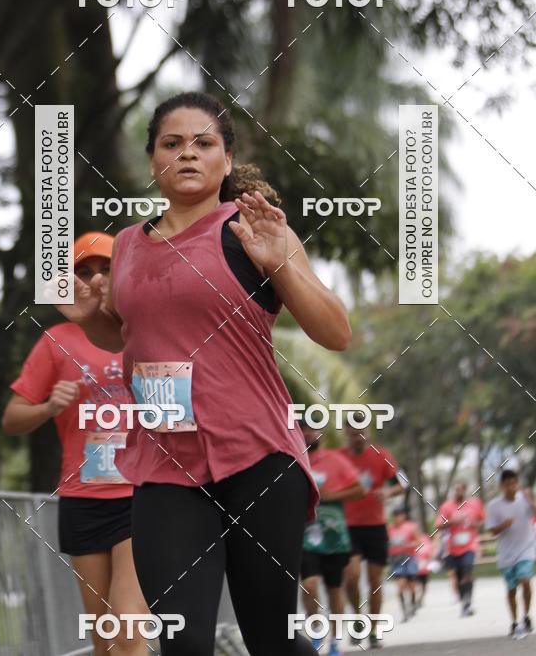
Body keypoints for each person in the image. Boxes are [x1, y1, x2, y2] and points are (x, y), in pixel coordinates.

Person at [56, 91, 352, 656]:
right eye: (172, 143)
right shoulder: (125, 247)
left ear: (225, 157)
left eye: (203, 143)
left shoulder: (254, 230)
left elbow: (335, 332)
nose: (187, 153)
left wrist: (281, 261)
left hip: (257, 456)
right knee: (183, 642)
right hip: (166, 467)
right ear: (152, 161)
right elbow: (127, 335)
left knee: (271, 639)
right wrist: (90, 316)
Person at [2, 232, 149, 656]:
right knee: (104, 642)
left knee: (127, 631)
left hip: (140, 495)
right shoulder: (57, 340)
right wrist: (48, 406)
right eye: (83, 272)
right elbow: (13, 419)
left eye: (105, 268)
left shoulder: (143, 328)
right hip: (82, 500)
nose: (96, 279)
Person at [299, 421, 365, 655]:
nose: (308, 434)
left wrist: (332, 495)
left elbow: (360, 489)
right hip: (306, 536)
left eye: (312, 429)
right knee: (309, 584)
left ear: (320, 433)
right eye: (303, 429)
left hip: (335, 537)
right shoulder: (294, 460)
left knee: (334, 589)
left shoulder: (335, 460)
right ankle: (317, 632)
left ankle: (335, 641)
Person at [340, 418, 404, 649]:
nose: (358, 437)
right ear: (347, 434)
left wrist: (387, 492)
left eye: (362, 433)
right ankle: (358, 620)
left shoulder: (381, 454)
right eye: (354, 433)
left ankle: (374, 630)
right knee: (352, 577)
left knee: (375, 580)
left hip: (375, 526)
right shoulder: (339, 457)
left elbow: (401, 484)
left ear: (367, 433)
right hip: (348, 527)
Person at [486, 470, 536, 639]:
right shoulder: (494, 506)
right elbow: (492, 531)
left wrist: (531, 499)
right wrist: (503, 526)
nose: (511, 487)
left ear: (518, 483)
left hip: (526, 549)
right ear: (502, 486)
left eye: (514, 483)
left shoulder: (525, 500)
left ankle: (526, 615)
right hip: (507, 554)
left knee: (525, 580)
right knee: (512, 589)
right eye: (507, 484)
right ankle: (514, 621)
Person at [435, 480, 486, 617]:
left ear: (465, 490)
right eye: (456, 490)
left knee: (467, 567)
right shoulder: (447, 506)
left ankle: (467, 601)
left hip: (470, 545)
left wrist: (476, 524)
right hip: (453, 549)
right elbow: (438, 525)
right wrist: (453, 521)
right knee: (458, 578)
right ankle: (465, 600)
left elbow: (483, 519)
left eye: (460, 489)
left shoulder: (475, 504)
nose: (458, 492)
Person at [387, 506, 421, 621]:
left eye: (399, 515)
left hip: (409, 557)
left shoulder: (411, 527)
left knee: (411, 585)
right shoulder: (390, 529)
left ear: (404, 516)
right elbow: (387, 544)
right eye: (395, 516)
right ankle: (404, 611)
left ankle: (412, 604)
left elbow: (418, 542)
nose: (397, 518)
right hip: (396, 559)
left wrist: (408, 545)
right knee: (400, 585)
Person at [414, 532, 434, 608]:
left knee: (423, 585)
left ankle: (420, 599)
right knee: (416, 584)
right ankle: (417, 598)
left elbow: (430, 553)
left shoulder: (426, 540)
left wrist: (428, 564)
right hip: (415, 568)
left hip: (424, 568)